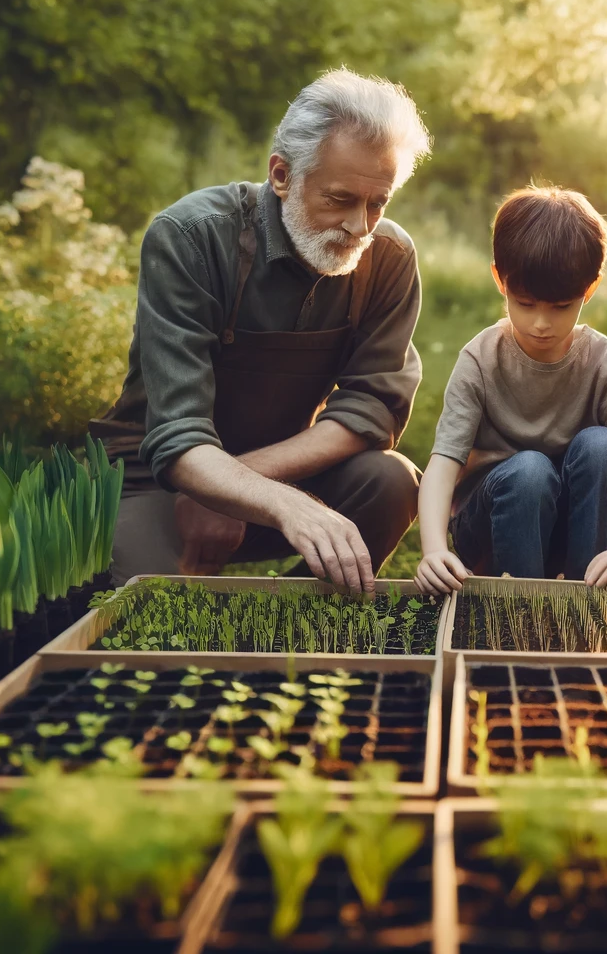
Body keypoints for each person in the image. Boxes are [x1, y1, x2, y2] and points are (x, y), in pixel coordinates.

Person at [91, 70, 431, 592]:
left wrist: (252, 487)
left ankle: (308, 627)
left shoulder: (389, 257)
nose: (360, 226)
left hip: (285, 475)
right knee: (160, 629)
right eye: (339, 199)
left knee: (390, 480)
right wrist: (249, 498)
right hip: (152, 483)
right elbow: (177, 434)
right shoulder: (191, 238)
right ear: (281, 175)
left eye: (378, 202)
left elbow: (372, 408)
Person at [414, 186, 607, 594]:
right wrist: (434, 549)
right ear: (499, 279)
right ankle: (520, 611)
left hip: (571, 528)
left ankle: (586, 602)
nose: (542, 322)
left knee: (603, 446)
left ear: (590, 289)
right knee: (529, 470)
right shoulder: (479, 360)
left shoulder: (606, 362)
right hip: (491, 530)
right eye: (525, 303)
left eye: (561, 306)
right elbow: (443, 463)